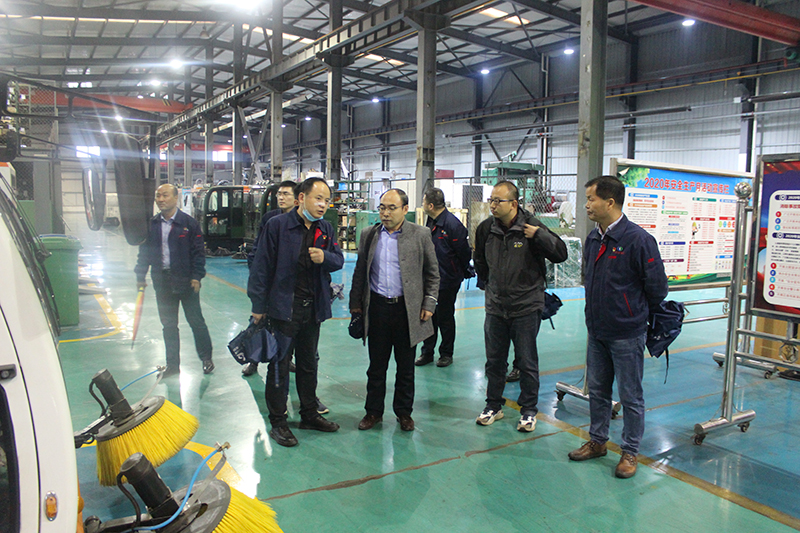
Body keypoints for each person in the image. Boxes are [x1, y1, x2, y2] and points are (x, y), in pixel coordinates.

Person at [568, 175, 668, 478]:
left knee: (630, 395)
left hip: (626, 333)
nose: (586, 205)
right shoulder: (594, 238)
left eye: (591, 199)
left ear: (610, 202)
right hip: (597, 330)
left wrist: (631, 312)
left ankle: (629, 451)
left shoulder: (638, 240)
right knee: (598, 391)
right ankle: (598, 441)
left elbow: (657, 288)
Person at [247, 177, 344, 447]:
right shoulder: (277, 226)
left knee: (308, 364)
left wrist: (325, 257)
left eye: (327, 200)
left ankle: (309, 414)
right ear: (302, 198)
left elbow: (338, 259)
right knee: (279, 366)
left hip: (313, 309)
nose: (323, 205)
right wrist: (258, 306)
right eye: (318, 198)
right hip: (283, 309)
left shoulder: (325, 228)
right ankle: (278, 422)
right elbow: (261, 267)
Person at [473, 181, 567, 432]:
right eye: (491, 200)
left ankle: (528, 410)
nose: (492, 205)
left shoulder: (532, 227)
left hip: (526, 306)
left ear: (514, 204)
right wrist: (491, 287)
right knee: (495, 361)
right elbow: (479, 260)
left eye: (498, 201)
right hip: (496, 307)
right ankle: (493, 405)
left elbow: (561, 254)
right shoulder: (486, 229)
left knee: (526, 361)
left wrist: (540, 236)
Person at [349, 188, 439, 432]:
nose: (385, 213)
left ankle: (404, 413)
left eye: (391, 208)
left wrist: (429, 303)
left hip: (407, 311)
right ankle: (373, 412)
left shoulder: (420, 235)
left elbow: (433, 274)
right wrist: (356, 306)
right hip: (377, 309)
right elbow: (360, 272)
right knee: (376, 367)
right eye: (382, 208)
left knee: (405, 367)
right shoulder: (369, 235)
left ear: (405, 209)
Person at [135, 184, 214, 376]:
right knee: (169, 325)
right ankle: (172, 365)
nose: (161, 199)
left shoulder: (189, 224)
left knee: (196, 321)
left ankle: (206, 358)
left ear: (176, 198)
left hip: (186, 282)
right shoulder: (152, 225)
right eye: (158, 196)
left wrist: (196, 276)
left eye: (165, 195)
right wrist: (140, 275)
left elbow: (198, 253)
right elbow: (144, 253)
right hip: (162, 282)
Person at [242, 180, 297, 376]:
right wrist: (256, 271)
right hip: (268, 282)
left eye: (286, 194)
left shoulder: (301, 221)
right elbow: (258, 249)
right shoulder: (270, 219)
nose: (281, 197)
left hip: (287, 286)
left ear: (297, 198)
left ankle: (287, 358)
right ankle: (253, 360)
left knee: (288, 326)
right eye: (279, 194)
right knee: (258, 321)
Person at [415, 188, 472, 368]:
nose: (422, 205)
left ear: (431, 205)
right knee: (427, 316)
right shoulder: (431, 221)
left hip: (447, 279)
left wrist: (458, 272)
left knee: (445, 317)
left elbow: (464, 252)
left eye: (424, 202)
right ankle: (427, 352)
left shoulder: (453, 225)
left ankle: (446, 353)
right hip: (429, 279)